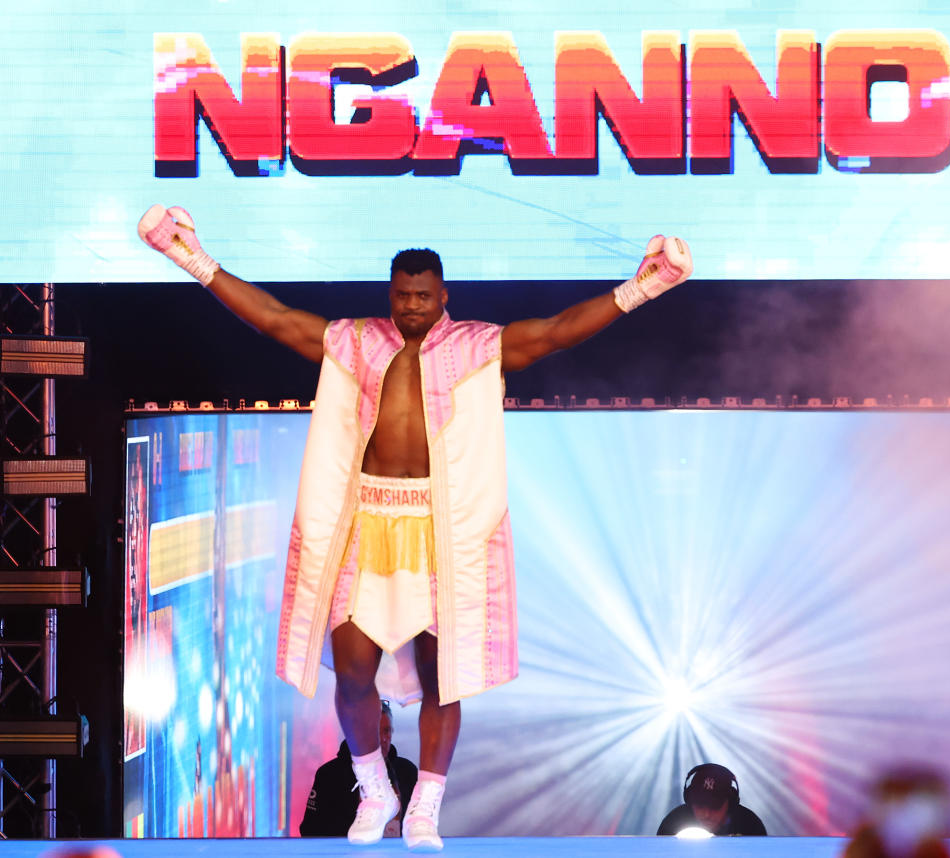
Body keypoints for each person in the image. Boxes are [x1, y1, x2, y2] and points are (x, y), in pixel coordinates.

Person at [138, 204, 691, 852]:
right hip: (364, 521)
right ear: (390, 294)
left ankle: (425, 805)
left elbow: (558, 331)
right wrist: (188, 258)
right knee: (349, 673)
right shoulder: (355, 340)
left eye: (424, 298)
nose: (412, 308)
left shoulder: (477, 346)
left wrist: (645, 286)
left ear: (444, 295)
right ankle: (376, 789)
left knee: (441, 676)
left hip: (439, 529)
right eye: (402, 297)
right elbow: (275, 319)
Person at [301, 699, 418, 838]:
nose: (383, 739)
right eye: (374, 731)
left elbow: (417, 828)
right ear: (357, 734)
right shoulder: (329, 774)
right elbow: (310, 830)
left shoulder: (407, 771)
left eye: (386, 731)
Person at [656, 764, 767, 836]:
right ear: (689, 801)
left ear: (730, 802)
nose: (706, 814)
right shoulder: (672, 825)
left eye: (715, 806)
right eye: (699, 805)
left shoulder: (751, 827)